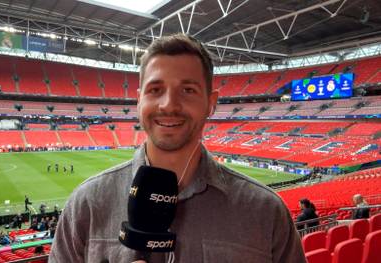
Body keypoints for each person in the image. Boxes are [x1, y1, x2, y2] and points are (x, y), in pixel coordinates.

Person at [49, 34, 305, 262]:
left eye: (188, 90)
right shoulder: (87, 204)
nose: (169, 104)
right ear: (138, 100)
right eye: (155, 89)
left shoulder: (266, 211)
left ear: (211, 102)